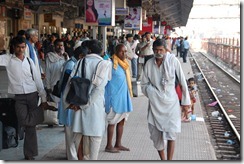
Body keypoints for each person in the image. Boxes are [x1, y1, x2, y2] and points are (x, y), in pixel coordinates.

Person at [141, 39, 191, 160]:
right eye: (156, 50)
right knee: (155, 135)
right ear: (152, 50)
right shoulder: (149, 64)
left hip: (171, 104)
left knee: (171, 134)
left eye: (161, 50)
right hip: (154, 104)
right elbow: (143, 84)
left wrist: (185, 103)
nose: (158, 52)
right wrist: (153, 93)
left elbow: (183, 82)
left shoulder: (173, 61)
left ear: (165, 50)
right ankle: (163, 159)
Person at [0, 36, 49, 160]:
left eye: (23, 47)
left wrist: (43, 99)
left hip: (32, 94)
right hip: (19, 97)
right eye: (18, 47)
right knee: (24, 121)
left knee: (30, 126)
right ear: (13, 47)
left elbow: (37, 80)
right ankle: (38, 116)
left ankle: (29, 154)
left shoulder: (29, 61)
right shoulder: (8, 60)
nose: (21, 50)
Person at [62, 39, 111, 160]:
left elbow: (70, 83)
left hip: (78, 104)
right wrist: (85, 105)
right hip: (95, 107)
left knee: (79, 137)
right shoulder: (104, 64)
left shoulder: (80, 62)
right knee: (95, 138)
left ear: (88, 50)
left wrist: (67, 103)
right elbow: (99, 89)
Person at [58, 46, 88, 160]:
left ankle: (73, 155)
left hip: (71, 100)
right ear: (80, 56)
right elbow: (68, 86)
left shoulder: (73, 63)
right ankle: (72, 157)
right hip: (69, 101)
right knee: (70, 131)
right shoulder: (71, 65)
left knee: (72, 130)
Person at [104, 43, 133, 153]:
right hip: (114, 98)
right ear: (116, 52)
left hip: (124, 98)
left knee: (121, 121)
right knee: (112, 122)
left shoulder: (124, 63)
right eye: (122, 51)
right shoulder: (110, 64)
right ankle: (108, 145)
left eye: (125, 51)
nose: (124, 54)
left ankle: (118, 143)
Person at [45, 39, 69, 126]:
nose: (60, 47)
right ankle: (52, 120)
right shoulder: (50, 57)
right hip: (53, 83)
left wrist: (67, 58)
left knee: (63, 103)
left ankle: (62, 121)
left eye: (61, 45)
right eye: (58, 45)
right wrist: (47, 86)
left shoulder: (66, 56)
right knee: (54, 102)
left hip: (63, 84)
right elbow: (47, 72)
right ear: (54, 46)